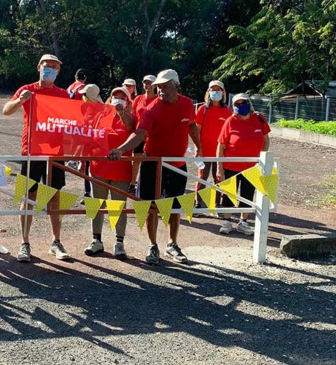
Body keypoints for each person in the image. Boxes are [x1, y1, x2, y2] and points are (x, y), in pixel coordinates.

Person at [108, 69, 200, 265]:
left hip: (177, 165)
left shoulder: (187, 104)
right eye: (159, 88)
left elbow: (191, 125)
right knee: (150, 205)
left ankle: (172, 244)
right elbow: (140, 134)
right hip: (152, 163)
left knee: (175, 207)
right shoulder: (151, 109)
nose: (161, 91)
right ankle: (152, 245)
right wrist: (120, 149)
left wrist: (200, 147)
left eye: (165, 87)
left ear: (176, 85)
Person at [2, 54, 71, 262]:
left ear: (59, 71)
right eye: (46, 66)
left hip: (57, 153)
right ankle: (25, 242)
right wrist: (19, 101)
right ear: (38, 67)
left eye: (54, 67)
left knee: (55, 197)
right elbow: (6, 111)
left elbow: (76, 120)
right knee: (28, 197)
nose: (50, 69)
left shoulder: (64, 94)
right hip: (32, 152)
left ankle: (56, 242)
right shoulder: (27, 89)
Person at [85, 86, 135, 260]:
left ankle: (119, 243)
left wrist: (121, 112)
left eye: (122, 97)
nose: (118, 99)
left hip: (121, 171)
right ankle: (96, 240)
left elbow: (132, 127)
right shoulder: (101, 116)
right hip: (98, 168)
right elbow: (91, 137)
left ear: (128, 101)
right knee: (97, 205)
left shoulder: (131, 117)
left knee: (118, 208)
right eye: (115, 96)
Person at [216, 93, 271, 235]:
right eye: (237, 104)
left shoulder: (259, 118)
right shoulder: (230, 121)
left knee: (247, 195)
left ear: (249, 103)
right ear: (233, 106)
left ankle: (243, 222)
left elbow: (266, 139)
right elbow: (221, 145)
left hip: (252, 167)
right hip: (230, 165)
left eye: (244, 103)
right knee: (229, 194)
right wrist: (219, 168)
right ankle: (227, 221)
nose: (241, 106)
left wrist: (262, 158)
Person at [194, 80, 231, 213]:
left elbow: (229, 132)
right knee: (201, 177)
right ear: (208, 92)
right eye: (213, 89)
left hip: (220, 152)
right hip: (204, 151)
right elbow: (196, 130)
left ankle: (217, 203)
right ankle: (198, 202)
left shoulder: (227, 110)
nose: (216, 92)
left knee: (219, 177)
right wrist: (197, 148)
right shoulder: (202, 109)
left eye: (218, 89)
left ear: (223, 92)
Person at [130, 75, 157, 187]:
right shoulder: (138, 99)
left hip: (152, 136)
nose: (147, 85)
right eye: (145, 83)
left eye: (150, 83)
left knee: (149, 163)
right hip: (138, 134)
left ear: (155, 85)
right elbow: (133, 116)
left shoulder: (158, 100)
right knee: (135, 161)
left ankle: (147, 185)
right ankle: (132, 184)